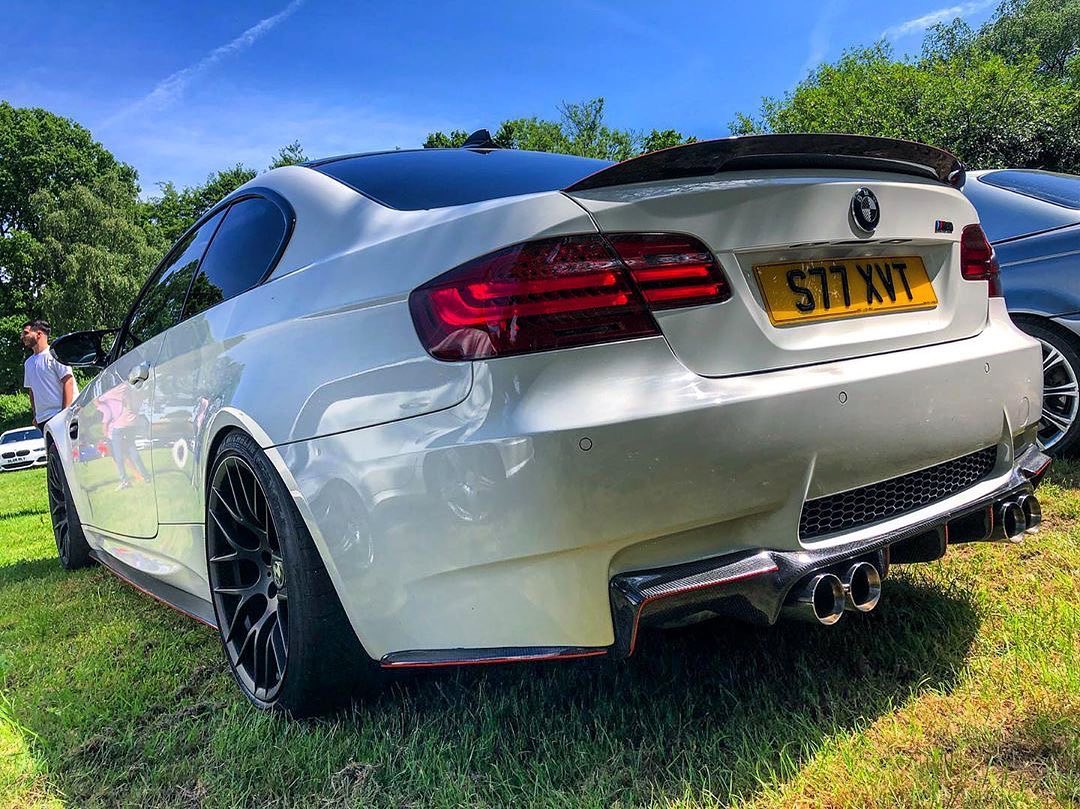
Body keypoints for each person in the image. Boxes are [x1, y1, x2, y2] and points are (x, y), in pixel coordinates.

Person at [21, 319, 77, 431]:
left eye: (26, 333)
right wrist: (36, 415)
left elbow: (68, 381)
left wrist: (64, 414)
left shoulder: (55, 354)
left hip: (61, 415)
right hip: (43, 419)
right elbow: (32, 391)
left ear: (39, 334)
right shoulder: (28, 363)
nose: (22, 337)